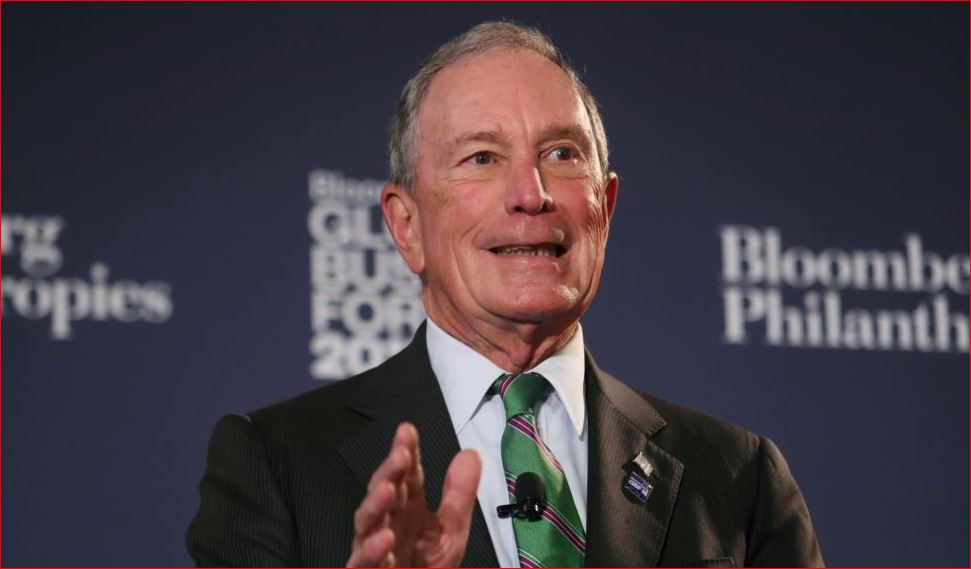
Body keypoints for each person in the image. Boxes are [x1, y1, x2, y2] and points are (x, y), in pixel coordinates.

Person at [187, 21, 823, 568]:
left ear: (606, 207)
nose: (531, 193)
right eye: (482, 158)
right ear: (407, 227)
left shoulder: (739, 477)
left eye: (562, 153)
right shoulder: (274, 464)